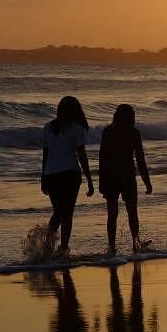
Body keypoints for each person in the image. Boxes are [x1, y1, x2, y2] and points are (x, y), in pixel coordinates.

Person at [41, 96, 94, 258]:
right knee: (67, 213)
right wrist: (90, 180)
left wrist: (43, 178)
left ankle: (47, 248)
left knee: (58, 212)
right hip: (70, 174)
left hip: (52, 175)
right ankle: (63, 248)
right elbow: (81, 155)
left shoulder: (48, 127)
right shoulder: (76, 128)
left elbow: (46, 154)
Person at [98, 104, 153, 255]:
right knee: (132, 211)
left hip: (110, 176)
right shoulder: (133, 133)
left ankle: (112, 247)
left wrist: (101, 181)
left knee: (112, 214)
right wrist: (147, 183)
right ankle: (136, 243)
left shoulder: (108, 131)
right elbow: (140, 160)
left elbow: (102, 158)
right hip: (127, 176)